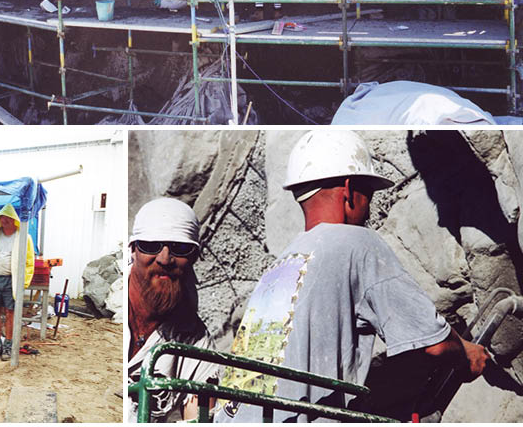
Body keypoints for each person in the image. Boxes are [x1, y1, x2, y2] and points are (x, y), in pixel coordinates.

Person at [215, 130, 489, 423]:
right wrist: (466, 354)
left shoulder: (278, 268)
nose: (368, 206)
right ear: (348, 190)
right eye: (368, 194)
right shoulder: (358, 243)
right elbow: (434, 345)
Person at [127, 198, 219, 422]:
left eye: (180, 248)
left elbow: (198, 419)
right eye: (151, 246)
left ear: (193, 257)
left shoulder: (196, 345)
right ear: (133, 250)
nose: (164, 258)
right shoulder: (113, 310)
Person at [0, 203, 35, 362]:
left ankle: (8, 347)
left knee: (10, 313)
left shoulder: (23, 237)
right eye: (2, 217)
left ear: (14, 219)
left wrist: (23, 283)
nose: (4, 220)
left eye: (8, 217)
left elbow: (29, 262)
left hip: (12, 280)